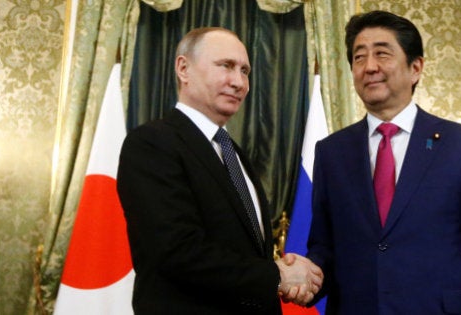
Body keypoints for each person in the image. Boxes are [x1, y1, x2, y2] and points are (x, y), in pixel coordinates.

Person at [307, 11, 461, 315]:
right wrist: (302, 277)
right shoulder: (331, 152)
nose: (369, 67)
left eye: (382, 54)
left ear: (416, 68)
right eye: (359, 58)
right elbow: (325, 246)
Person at [117, 27, 322, 314]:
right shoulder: (152, 143)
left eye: (245, 71)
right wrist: (278, 276)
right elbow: (177, 252)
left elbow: (245, 252)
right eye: (226, 66)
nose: (238, 82)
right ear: (183, 68)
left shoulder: (234, 154)